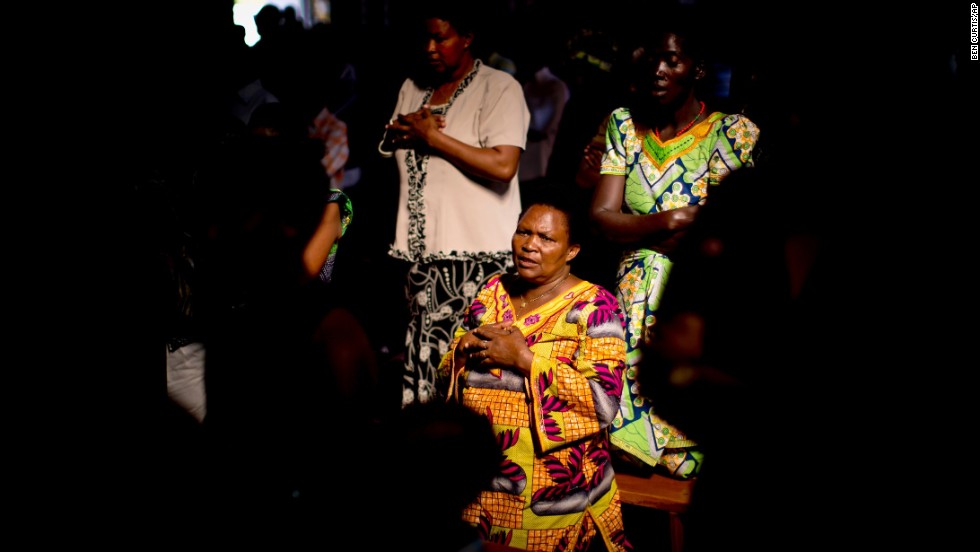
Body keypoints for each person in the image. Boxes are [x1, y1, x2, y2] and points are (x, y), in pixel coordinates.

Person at [589, 11, 760, 477]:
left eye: (672, 60)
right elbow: (602, 220)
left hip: (697, 290)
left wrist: (639, 223)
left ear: (698, 70)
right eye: (652, 60)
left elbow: (716, 232)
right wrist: (672, 217)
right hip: (630, 288)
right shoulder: (624, 125)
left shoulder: (732, 132)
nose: (658, 71)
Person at [438, 199, 633, 552]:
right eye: (523, 232)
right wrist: (462, 348)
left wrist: (526, 360)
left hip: (550, 495)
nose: (529, 245)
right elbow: (445, 381)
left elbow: (603, 403)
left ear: (572, 250)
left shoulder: (595, 307)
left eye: (546, 238)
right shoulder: (492, 290)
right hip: (480, 483)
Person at [379, 0, 530, 407]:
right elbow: (390, 140)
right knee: (421, 353)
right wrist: (409, 133)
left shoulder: (499, 88)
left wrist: (434, 138)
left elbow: (503, 164)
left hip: (476, 259)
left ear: (467, 37)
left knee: (469, 361)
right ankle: (425, 453)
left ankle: (468, 456)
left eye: (440, 37)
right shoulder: (412, 88)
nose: (429, 47)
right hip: (420, 255)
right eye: (424, 37)